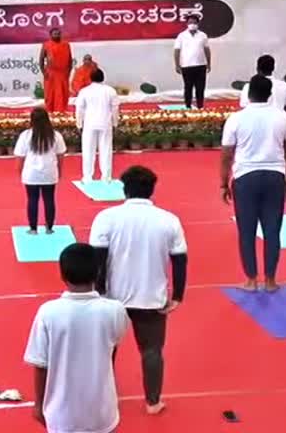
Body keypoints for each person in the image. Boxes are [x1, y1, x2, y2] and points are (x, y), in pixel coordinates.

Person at [89, 166, 188, 415]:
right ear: (152, 190)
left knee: (106, 351)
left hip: (113, 297)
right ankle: (153, 402)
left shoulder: (106, 218)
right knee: (152, 350)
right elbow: (180, 259)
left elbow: (97, 259)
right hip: (152, 298)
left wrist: (98, 292)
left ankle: (103, 400)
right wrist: (178, 295)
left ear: (125, 189)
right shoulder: (169, 220)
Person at [24, 243, 129, 433]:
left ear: (62, 275)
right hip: (102, 412)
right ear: (97, 273)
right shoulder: (115, 310)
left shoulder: (48, 312)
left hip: (62, 414)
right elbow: (114, 343)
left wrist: (39, 405)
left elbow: (40, 364)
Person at [221, 75, 286, 292]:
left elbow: (227, 154)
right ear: (270, 94)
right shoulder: (282, 117)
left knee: (246, 230)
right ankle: (271, 280)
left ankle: (251, 279)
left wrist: (222, 182)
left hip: (245, 177)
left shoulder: (236, 118)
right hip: (275, 176)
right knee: (272, 230)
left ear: (248, 94)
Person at [13, 107, 67, 235]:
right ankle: (49, 228)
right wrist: (59, 171)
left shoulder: (25, 135)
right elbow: (60, 156)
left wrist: (19, 172)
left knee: (32, 199)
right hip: (49, 172)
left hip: (31, 173)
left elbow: (20, 157)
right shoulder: (55, 135)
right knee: (49, 199)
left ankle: (33, 228)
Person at [75, 69, 120, 182]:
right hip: (105, 123)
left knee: (88, 150)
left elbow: (79, 109)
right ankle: (106, 177)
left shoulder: (84, 91)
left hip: (89, 124)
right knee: (106, 149)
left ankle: (87, 177)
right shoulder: (110, 91)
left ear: (90, 78)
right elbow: (115, 108)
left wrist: (79, 124)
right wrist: (115, 123)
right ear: (103, 78)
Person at [174, 15, 211, 110]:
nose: (192, 24)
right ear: (187, 24)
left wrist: (209, 63)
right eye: (190, 22)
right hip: (187, 66)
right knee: (188, 87)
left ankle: (200, 106)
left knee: (200, 88)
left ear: (198, 24)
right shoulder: (181, 36)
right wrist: (177, 65)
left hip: (201, 65)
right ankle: (188, 106)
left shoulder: (203, 35)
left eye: (194, 22)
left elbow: (207, 50)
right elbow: (177, 51)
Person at [39, 28, 73, 113]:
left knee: (63, 94)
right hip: (50, 73)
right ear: (51, 35)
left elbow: (70, 60)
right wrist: (44, 72)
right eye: (55, 34)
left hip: (63, 73)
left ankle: (61, 112)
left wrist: (68, 72)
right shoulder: (46, 45)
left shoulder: (66, 45)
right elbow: (41, 59)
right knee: (50, 94)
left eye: (58, 34)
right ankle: (49, 111)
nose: (57, 35)